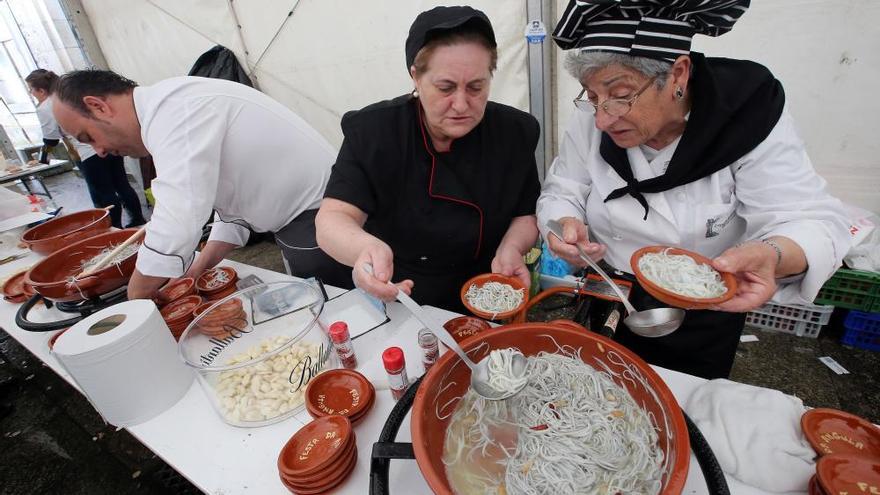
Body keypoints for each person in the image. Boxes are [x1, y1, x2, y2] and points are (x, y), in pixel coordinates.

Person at [538, 0, 851, 379]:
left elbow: (810, 219)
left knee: (688, 404)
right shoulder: (592, 117)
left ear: (678, 74)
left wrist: (773, 253)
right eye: (591, 96)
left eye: (621, 95)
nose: (602, 118)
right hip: (612, 288)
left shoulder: (746, 115)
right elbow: (564, 188)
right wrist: (566, 223)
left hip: (705, 305)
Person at [315, 6, 541, 312]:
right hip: (397, 289)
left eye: (476, 87)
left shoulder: (515, 132)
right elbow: (331, 219)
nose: (461, 104)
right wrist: (365, 249)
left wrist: (512, 247)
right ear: (416, 78)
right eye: (445, 87)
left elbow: (525, 215)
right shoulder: (374, 133)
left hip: (484, 288)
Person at [51, 70, 351, 299]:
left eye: (88, 137)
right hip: (299, 222)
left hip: (320, 220)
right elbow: (232, 203)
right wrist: (199, 268)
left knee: (348, 311)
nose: (99, 151)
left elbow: (178, 218)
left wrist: (136, 298)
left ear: (98, 106)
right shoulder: (171, 107)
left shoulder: (174, 111)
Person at [25, 69, 147, 228]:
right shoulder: (69, 96)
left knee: (103, 192)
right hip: (111, 143)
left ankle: (113, 227)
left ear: (41, 90)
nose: (31, 93)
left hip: (88, 154)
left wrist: (43, 158)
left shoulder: (47, 107)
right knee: (121, 184)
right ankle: (137, 218)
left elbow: (51, 139)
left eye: (31, 89)